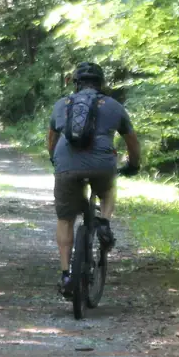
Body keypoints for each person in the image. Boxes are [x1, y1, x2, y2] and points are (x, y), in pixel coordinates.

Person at [47, 62, 141, 295]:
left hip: (66, 166)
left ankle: (66, 274)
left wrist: (55, 161)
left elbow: (52, 139)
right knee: (108, 190)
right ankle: (104, 223)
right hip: (101, 165)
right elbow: (132, 141)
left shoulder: (62, 105)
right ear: (101, 83)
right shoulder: (113, 106)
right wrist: (133, 165)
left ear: (76, 83)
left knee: (65, 218)